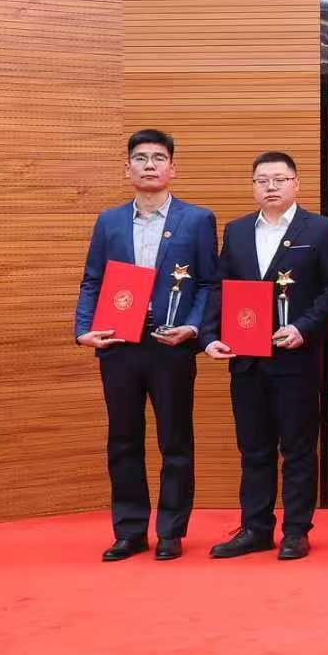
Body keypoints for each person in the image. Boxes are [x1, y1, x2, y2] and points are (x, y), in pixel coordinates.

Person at [73, 129, 218, 562]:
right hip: (119, 341)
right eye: (140, 158)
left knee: (175, 440)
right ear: (128, 169)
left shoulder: (197, 219)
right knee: (123, 439)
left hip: (170, 342)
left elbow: (209, 283)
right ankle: (130, 530)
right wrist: (83, 330)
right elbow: (93, 280)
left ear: (173, 168)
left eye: (158, 158)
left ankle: (171, 530)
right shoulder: (109, 221)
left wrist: (193, 327)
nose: (149, 165)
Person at [202, 151, 328, 561]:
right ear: (253, 187)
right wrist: (210, 336)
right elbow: (221, 287)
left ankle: (296, 530)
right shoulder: (238, 231)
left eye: (279, 179)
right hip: (246, 358)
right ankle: (256, 528)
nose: (271, 187)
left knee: (298, 449)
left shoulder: (321, 230)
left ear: (296, 184)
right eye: (262, 180)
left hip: (296, 357)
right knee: (254, 448)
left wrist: (304, 327)